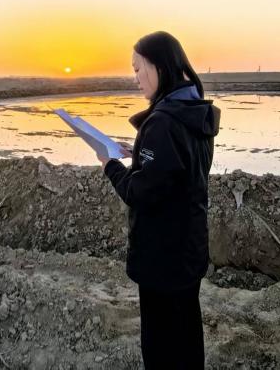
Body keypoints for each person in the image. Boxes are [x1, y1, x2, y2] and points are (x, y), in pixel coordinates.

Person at [98, 31, 220, 369]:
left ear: (160, 67)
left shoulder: (163, 122)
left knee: (161, 343)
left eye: (138, 69)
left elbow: (139, 192)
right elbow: (176, 169)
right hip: (188, 247)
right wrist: (139, 152)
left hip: (161, 257)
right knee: (186, 334)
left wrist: (110, 165)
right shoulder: (194, 111)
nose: (135, 78)